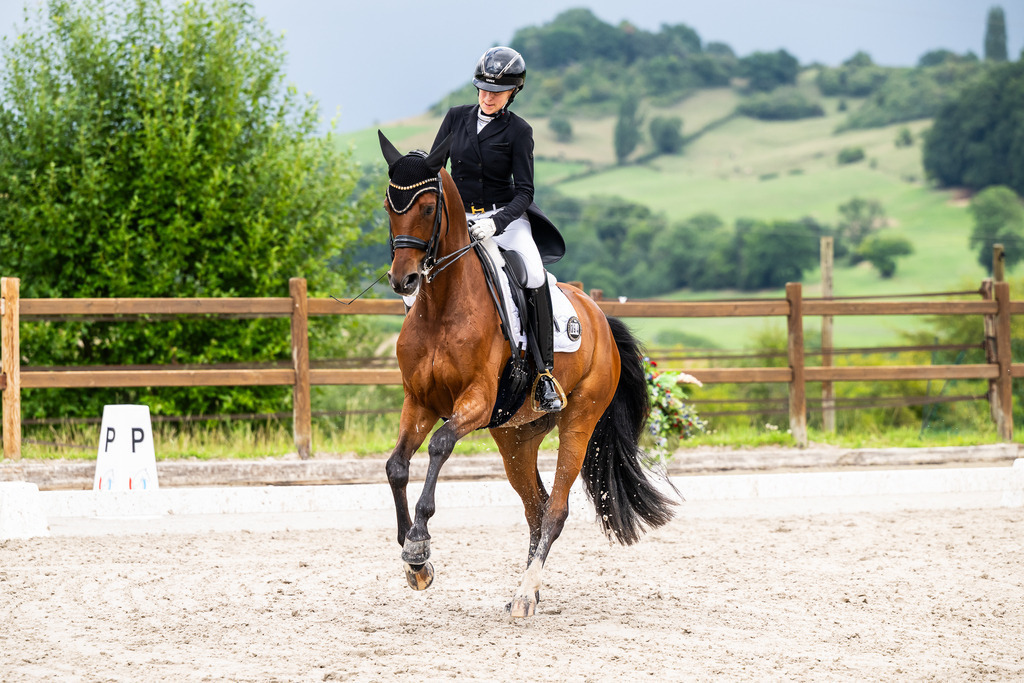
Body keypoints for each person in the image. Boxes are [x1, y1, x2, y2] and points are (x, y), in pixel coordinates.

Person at [431, 46, 567, 413]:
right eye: (483, 89)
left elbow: (525, 191)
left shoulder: (520, 131)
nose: (488, 97)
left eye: (497, 91)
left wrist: (497, 223)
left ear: (513, 92)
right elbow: (435, 170)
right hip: (462, 221)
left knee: (535, 276)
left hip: (504, 220)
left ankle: (544, 375)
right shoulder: (455, 118)